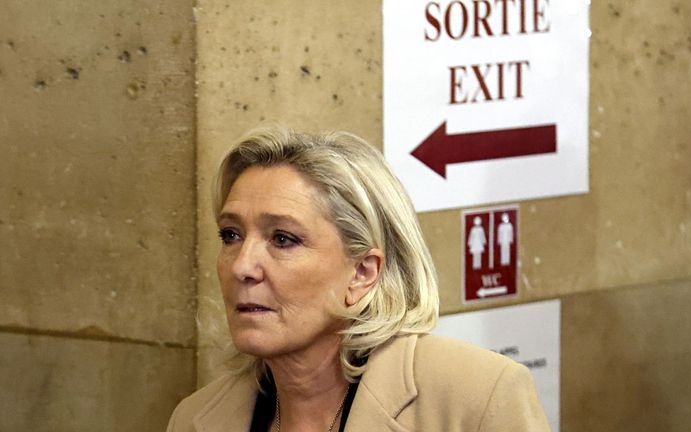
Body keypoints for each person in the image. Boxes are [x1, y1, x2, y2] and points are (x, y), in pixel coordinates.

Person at [167, 127, 549, 432]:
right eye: (231, 235)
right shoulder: (195, 419)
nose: (241, 266)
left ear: (362, 273)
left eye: (282, 239)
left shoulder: (479, 397)